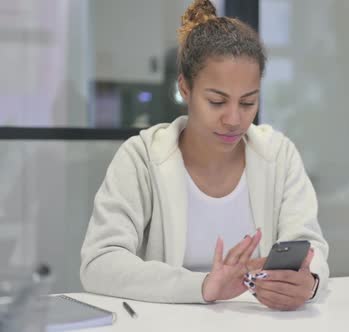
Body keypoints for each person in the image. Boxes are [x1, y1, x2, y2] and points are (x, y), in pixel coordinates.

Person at [79, 0, 329, 311]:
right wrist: (203, 286)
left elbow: (310, 249)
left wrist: (310, 283)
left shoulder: (278, 156)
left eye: (248, 102)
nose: (234, 119)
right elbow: (99, 263)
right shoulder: (141, 157)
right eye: (216, 101)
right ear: (185, 88)